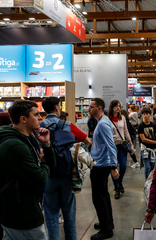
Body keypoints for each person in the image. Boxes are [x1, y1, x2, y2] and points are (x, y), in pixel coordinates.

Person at [0, 100, 56, 240]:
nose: (40, 118)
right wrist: (44, 164)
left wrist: (47, 145)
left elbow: (52, 166)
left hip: (24, 206)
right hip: (21, 213)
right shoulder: (14, 144)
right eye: (36, 114)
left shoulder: (30, 137)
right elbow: (41, 179)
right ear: (23, 119)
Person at [41, 97, 91, 240]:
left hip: (48, 175)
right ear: (57, 107)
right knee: (69, 215)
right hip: (68, 173)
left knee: (51, 216)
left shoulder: (39, 126)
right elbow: (86, 140)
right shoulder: (68, 125)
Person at [88, 98, 119, 240]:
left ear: (99, 108)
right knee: (103, 196)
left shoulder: (103, 124)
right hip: (100, 164)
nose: (88, 109)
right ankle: (107, 223)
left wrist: (114, 167)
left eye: (91, 107)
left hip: (101, 166)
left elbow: (111, 145)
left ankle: (107, 230)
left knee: (98, 198)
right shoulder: (101, 122)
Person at [107, 100, 134, 200]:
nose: (119, 108)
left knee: (123, 166)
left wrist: (130, 143)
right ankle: (117, 187)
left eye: (119, 106)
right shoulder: (107, 119)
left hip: (122, 146)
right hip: (111, 146)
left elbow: (126, 131)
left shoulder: (122, 117)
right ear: (112, 107)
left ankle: (119, 181)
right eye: (117, 106)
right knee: (113, 167)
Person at [138, 108, 156, 180]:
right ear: (142, 115)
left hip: (154, 149)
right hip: (145, 149)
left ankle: (151, 181)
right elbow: (143, 139)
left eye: (147, 114)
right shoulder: (141, 126)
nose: (145, 115)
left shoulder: (154, 125)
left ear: (150, 115)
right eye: (144, 114)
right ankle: (147, 181)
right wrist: (155, 142)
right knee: (147, 167)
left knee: (153, 166)